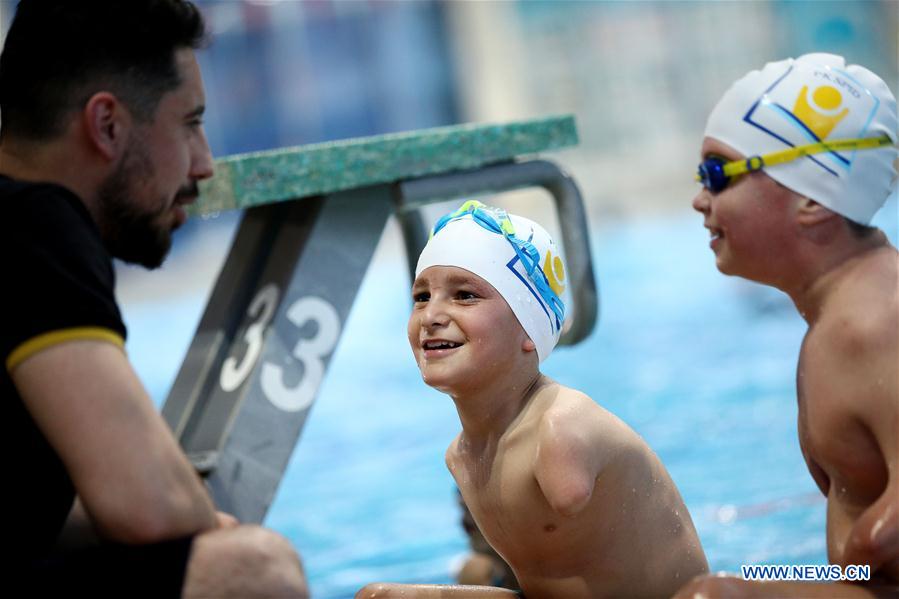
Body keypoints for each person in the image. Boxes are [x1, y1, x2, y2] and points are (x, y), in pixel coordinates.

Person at [0, 1, 308, 596]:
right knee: (254, 570)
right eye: (190, 123)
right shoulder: (35, 225)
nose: (204, 163)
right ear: (107, 125)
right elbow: (150, 507)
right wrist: (202, 517)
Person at [357, 200, 708, 599]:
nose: (431, 314)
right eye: (421, 297)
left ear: (529, 329)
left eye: (465, 295)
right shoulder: (461, 457)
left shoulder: (560, 428)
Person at [677, 53, 898, 598]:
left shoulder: (878, 318)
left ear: (810, 199)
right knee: (687, 586)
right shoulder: (838, 313)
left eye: (716, 173)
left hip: (865, 581)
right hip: (849, 580)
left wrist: (868, 545)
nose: (699, 199)